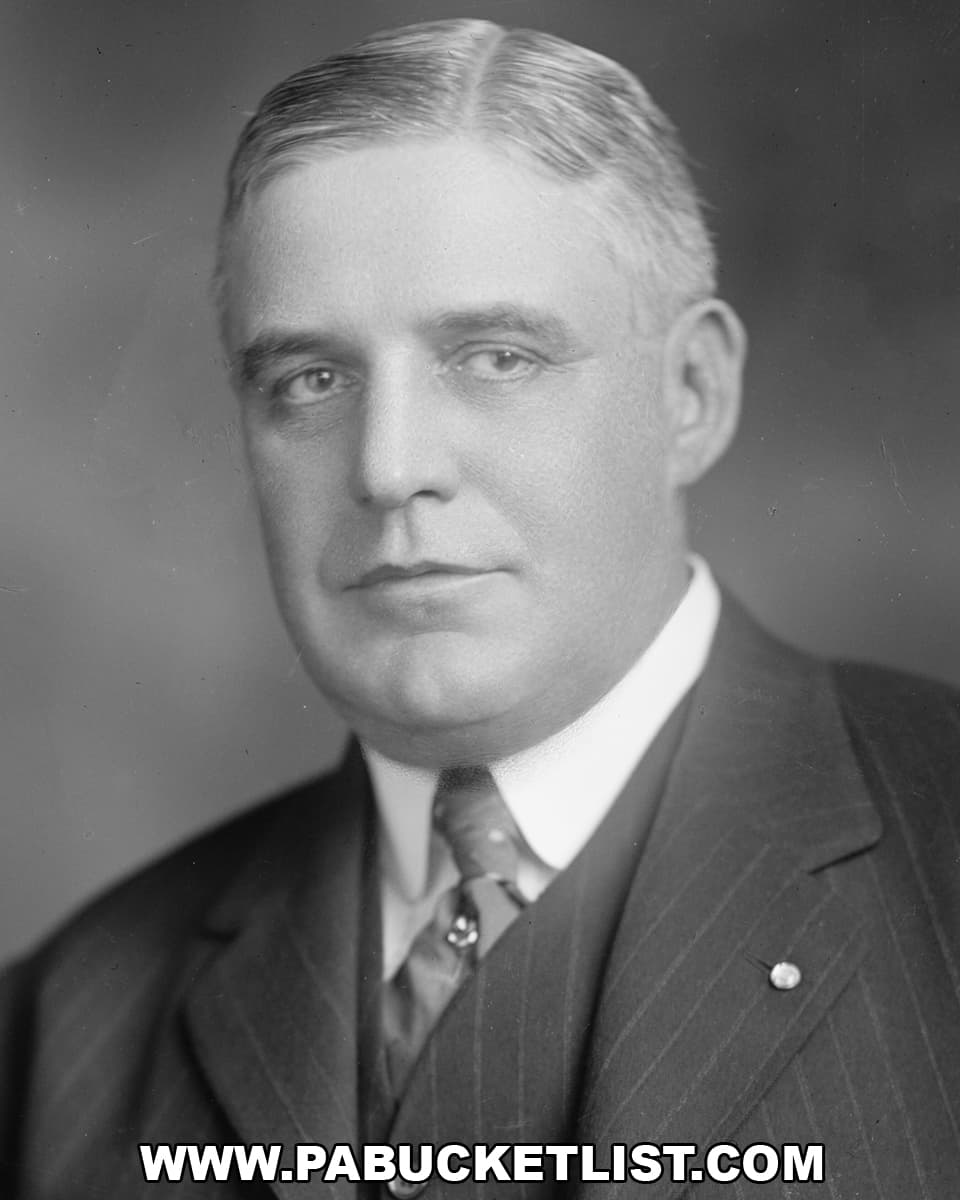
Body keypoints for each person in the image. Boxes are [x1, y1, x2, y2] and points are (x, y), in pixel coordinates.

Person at [2, 17, 959, 1199]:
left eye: (496, 356)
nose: (389, 465)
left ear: (694, 395)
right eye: (311, 380)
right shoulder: (64, 1031)